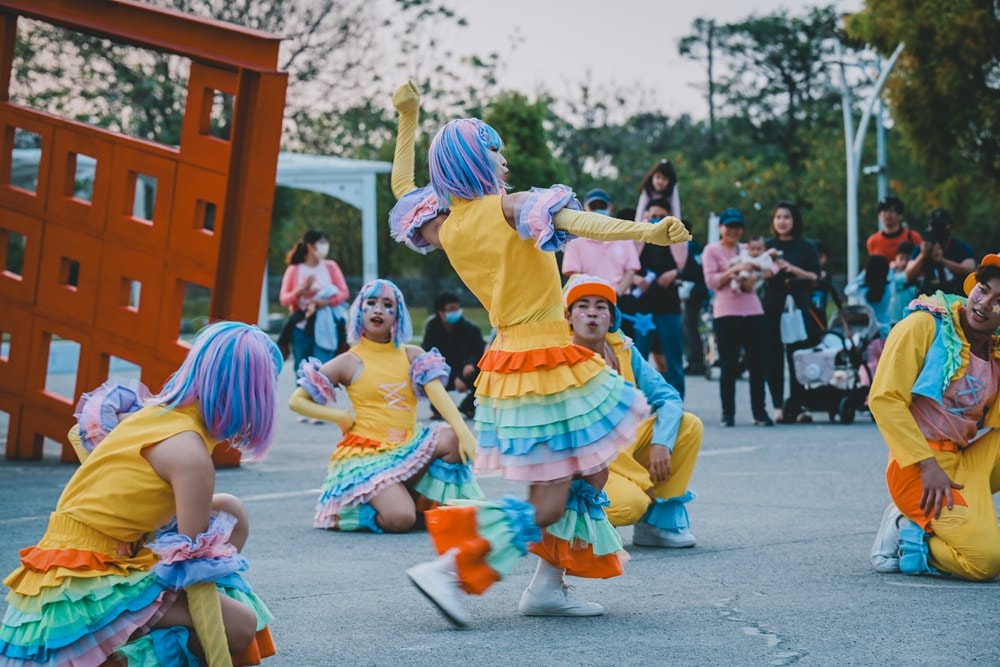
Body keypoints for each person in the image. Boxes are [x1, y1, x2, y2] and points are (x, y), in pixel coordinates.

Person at [392, 106, 690, 627]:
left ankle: (547, 584)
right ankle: (451, 567)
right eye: (494, 150)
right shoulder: (511, 208)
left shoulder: (447, 226)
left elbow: (403, 187)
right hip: (545, 358)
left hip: (516, 358)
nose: (503, 160)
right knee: (550, 500)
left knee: (593, 467)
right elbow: (579, 222)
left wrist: (407, 117)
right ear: (473, 161)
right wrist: (648, 232)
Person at [0, 322, 280, 665]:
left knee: (230, 511)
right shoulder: (190, 454)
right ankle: (114, 659)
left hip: (62, 570)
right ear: (253, 394)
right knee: (239, 626)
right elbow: (195, 572)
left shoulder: (153, 415)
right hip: (83, 585)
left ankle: (123, 643)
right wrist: (221, 655)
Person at [288, 279, 483, 533]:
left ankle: (420, 504)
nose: (378, 310)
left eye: (387, 305)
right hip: (370, 457)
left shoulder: (412, 355)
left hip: (409, 447)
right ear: (360, 311)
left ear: (397, 315)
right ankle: (352, 513)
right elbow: (296, 400)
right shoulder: (348, 361)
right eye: (371, 303)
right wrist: (339, 416)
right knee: (400, 519)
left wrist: (465, 433)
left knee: (452, 438)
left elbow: (439, 398)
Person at [868, 254, 1000, 582]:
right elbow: (883, 399)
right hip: (918, 466)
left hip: (963, 458)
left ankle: (957, 522)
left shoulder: (996, 350)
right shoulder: (924, 325)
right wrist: (927, 465)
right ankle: (908, 539)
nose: (984, 303)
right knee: (985, 560)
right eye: (983, 290)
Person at [562, 274, 703, 548]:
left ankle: (655, 522)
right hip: (585, 463)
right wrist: (642, 484)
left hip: (622, 452)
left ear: (612, 318)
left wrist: (662, 442)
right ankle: (565, 517)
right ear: (568, 317)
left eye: (601, 306)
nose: (592, 312)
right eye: (583, 305)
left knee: (688, 425)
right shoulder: (560, 358)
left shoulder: (623, 350)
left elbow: (668, 397)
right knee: (630, 504)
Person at [701, 207, 772, 427]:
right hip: (726, 312)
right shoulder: (712, 251)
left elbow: (769, 268)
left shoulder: (747, 249)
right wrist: (735, 269)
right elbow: (712, 282)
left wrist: (754, 275)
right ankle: (728, 412)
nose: (733, 231)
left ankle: (759, 412)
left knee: (757, 363)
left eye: (737, 227)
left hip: (752, 309)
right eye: (729, 226)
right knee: (729, 364)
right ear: (721, 228)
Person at [761, 202, 822, 423]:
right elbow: (757, 272)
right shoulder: (767, 246)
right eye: (778, 217)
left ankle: (798, 405)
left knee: (799, 356)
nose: (782, 221)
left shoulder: (806, 247)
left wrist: (791, 268)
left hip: (798, 305)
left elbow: (815, 276)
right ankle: (778, 406)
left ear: (794, 220)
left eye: (787, 217)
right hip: (772, 306)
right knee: (772, 356)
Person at [630, 197, 686, 397]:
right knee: (638, 360)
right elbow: (622, 267)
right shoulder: (635, 241)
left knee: (673, 360)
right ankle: (638, 403)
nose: (657, 220)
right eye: (653, 216)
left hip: (669, 308)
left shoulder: (679, 242)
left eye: (662, 217)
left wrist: (675, 273)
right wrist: (636, 279)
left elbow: (694, 270)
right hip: (642, 310)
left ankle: (676, 402)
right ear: (645, 216)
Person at [278, 229, 350, 373]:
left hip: (326, 325)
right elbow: (284, 299)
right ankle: (302, 396)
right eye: (321, 242)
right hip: (302, 326)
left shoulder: (330, 267)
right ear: (310, 246)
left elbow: (344, 292)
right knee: (302, 371)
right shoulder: (294, 270)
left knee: (324, 371)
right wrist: (298, 292)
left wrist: (326, 302)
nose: (325, 246)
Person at [561, 188, 641, 297]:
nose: (598, 210)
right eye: (593, 207)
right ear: (585, 209)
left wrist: (615, 295)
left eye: (602, 207)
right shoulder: (575, 239)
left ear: (610, 208)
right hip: (588, 298)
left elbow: (631, 271)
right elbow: (574, 274)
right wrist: (598, 296)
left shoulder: (623, 235)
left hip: (621, 300)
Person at [421, 292, 486, 420]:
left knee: (485, 374)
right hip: (443, 369)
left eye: (457, 308)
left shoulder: (470, 328)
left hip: (467, 368)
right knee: (429, 374)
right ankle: (438, 409)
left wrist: (470, 363)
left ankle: (468, 406)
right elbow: (429, 354)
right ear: (440, 312)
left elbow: (479, 349)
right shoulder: (432, 329)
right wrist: (454, 376)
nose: (456, 312)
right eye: (451, 309)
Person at [904, 208, 976, 297]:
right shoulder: (923, 248)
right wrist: (922, 255)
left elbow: (970, 269)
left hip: (955, 296)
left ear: (950, 229)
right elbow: (908, 275)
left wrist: (942, 260)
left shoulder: (960, 248)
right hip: (929, 297)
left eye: (939, 226)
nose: (936, 231)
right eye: (933, 226)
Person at [678, 219, 708, 376]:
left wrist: (681, 275)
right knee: (687, 328)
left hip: (693, 292)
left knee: (690, 327)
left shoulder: (691, 248)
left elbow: (700, 270)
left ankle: (696, 363)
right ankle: (692, 361)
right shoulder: (689, 247)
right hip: (687, 291)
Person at [844, 254, 893, 337]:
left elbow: (847, 290)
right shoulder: (889, 287)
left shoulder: (861, 290)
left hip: (867, 331)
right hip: (885, 330)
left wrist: (864, 273)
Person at [866, 195, 923, 261]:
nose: (887, 215)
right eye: (884, 211)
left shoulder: (913, 237)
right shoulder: (873, 241)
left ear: (900, 215)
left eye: (891, 211)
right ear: (879, 215)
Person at [634, 158, 681, 223]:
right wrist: (637, 225)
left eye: (664, 179)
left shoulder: (672, 189)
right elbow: (641, 209)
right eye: (658, 177)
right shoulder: (647, 188)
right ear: (652, 177)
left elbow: (675, 209)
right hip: (649, 220)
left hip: (664, 220)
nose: (660, 181)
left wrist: (677, 227)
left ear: (669, 181)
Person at [888, 241, 919, 326]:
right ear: (895, 258)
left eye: (907, 259)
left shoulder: (917, 280)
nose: (904, 263)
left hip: (908, 323)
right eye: (901, 258)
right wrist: (891, 270)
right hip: (891, 323)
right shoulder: (890, 275)